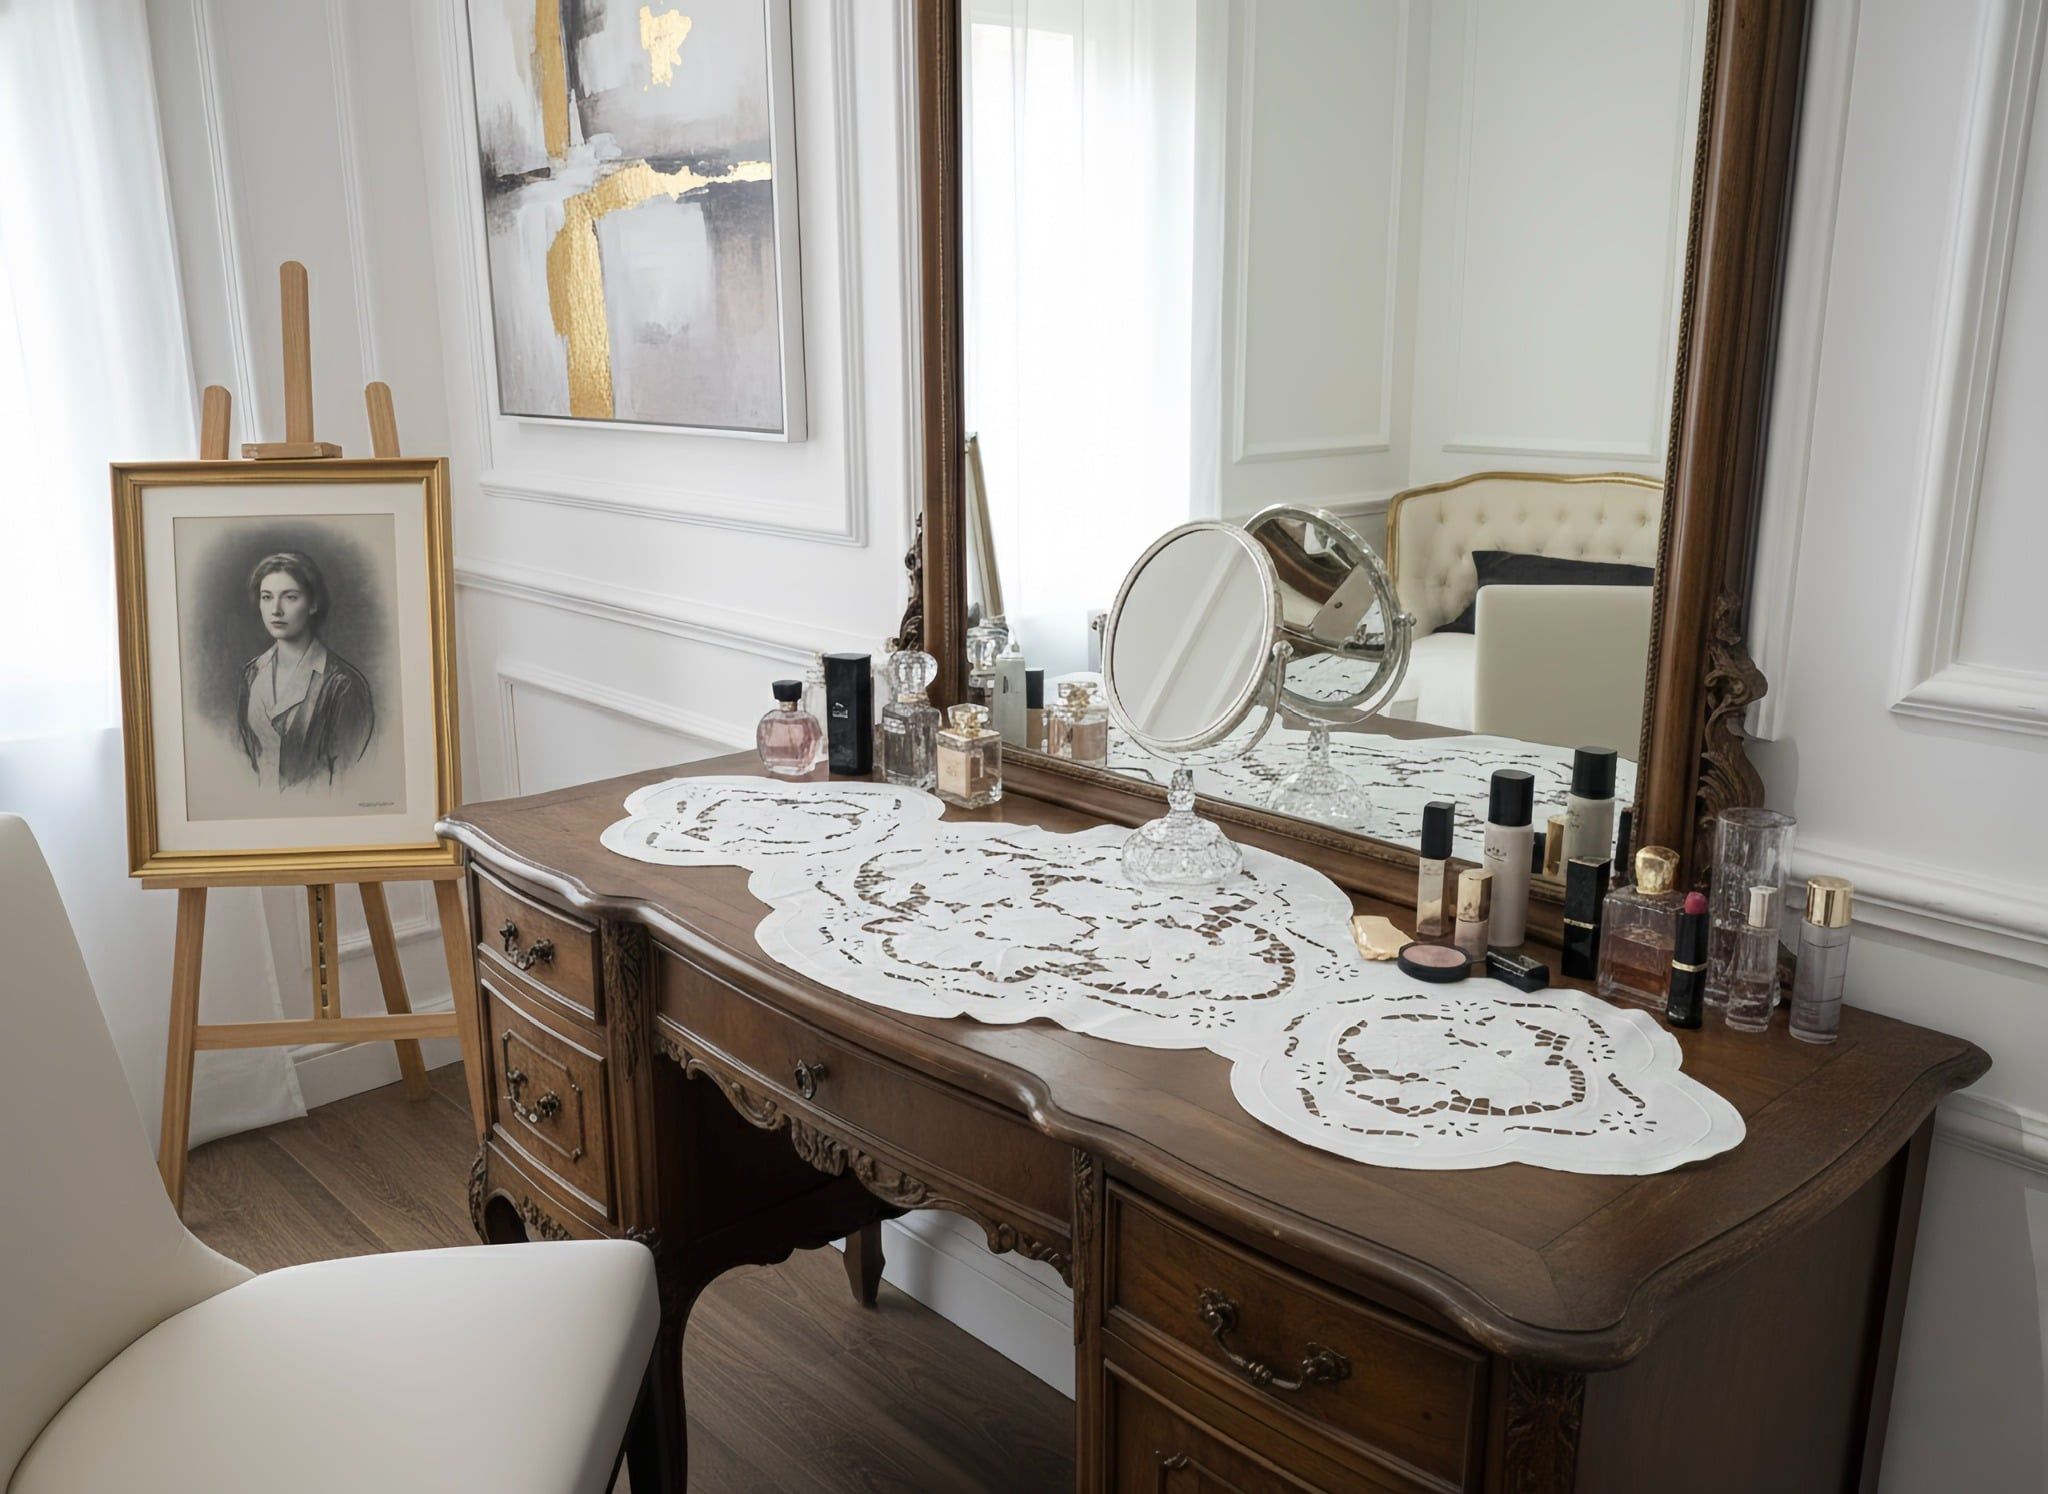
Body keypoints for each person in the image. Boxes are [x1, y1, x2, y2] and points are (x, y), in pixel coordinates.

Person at [234, 551, 374, 790]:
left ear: (313, 604)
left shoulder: (342, 684)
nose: (276, 610)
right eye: (267, 597)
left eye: (290, 597)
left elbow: (348, 781)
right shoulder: (251, 674)